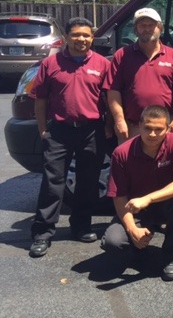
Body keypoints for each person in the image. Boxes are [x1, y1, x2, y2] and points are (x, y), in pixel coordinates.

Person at [29, 17, 111, 258]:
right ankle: (42, 233)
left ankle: (81, 226)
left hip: (91, 130)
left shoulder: (101, 64)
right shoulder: (51, 64)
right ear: (66, 37)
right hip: (60, 130)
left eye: (86, 35)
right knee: (53, 183)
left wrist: (107, 126)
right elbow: (41, 100)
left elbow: (109, 98)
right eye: (76, 35)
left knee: (88, 181)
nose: (81, 39)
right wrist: (42, 130)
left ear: (92, 38)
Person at [100, 105, 173, 281]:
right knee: (113, 243)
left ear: (167, 129)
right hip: (137, 210)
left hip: (165, 205)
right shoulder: (121, 153)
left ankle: (172, 256)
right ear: (140, 126)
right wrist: (132, 228)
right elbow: (119, 196)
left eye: (159, 129)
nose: (152, 134)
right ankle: (138, 242)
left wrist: (148, 198)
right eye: (148, 128)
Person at [104, 7, 173, 143]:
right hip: (132, 128)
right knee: (132, 164)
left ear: (160, 27)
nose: (147, 29)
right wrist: (119, 120)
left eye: (151, 25)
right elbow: (113, 91)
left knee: (164, 164)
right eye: (142, 25)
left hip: (165, 128)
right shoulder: (122, 55)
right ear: (136, 29)